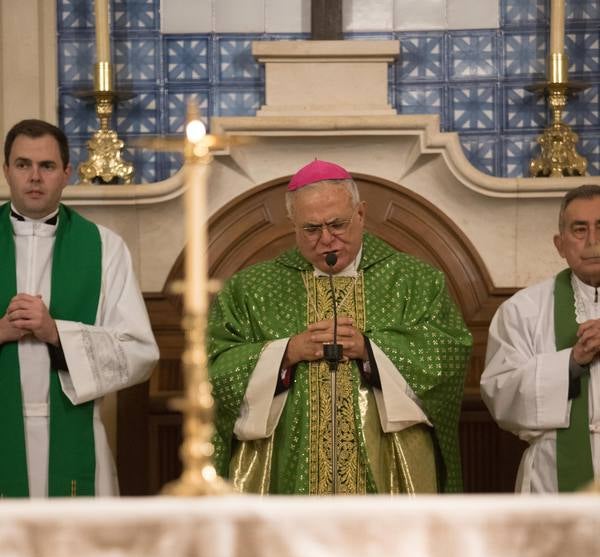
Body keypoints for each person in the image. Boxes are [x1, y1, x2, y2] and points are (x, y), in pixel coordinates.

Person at [208, 160, 472, 495]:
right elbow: (214, 370)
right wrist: (285, 353)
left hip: (388, 467)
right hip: (284, 471)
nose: (327, 239)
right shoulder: (250, 288)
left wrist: (371, 351)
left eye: (337, 224)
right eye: (311, 229)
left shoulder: (414, 280)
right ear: (293, 224)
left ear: (360, 214)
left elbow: (446, 358)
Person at [0, 118, 158, 497]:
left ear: (67, 173)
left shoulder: (104, 248)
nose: (34, 177)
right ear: (6, 170)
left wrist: (56, 333)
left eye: (47, 166)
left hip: (77, 437)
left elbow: (140, 352)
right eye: (23, 164)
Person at [481, 184, 600, 492]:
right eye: (579, 229)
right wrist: (572, 362)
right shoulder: (522, 310)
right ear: (560, 244)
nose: (593, 241)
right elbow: (500, 395)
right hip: (554, 477)